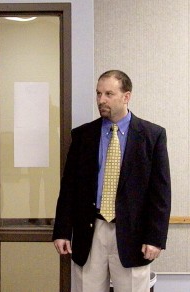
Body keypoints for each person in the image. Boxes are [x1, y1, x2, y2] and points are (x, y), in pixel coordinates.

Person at [52, 70, 171, 292]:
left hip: (132, 234)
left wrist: (155, 238)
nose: (101, 100)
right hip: (91, 229)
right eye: (98, 94)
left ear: (126, 96)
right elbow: (69, 188)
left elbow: (160, 193)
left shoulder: (152, 136)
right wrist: (62, 230)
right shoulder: (83, 135)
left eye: (108, 94)